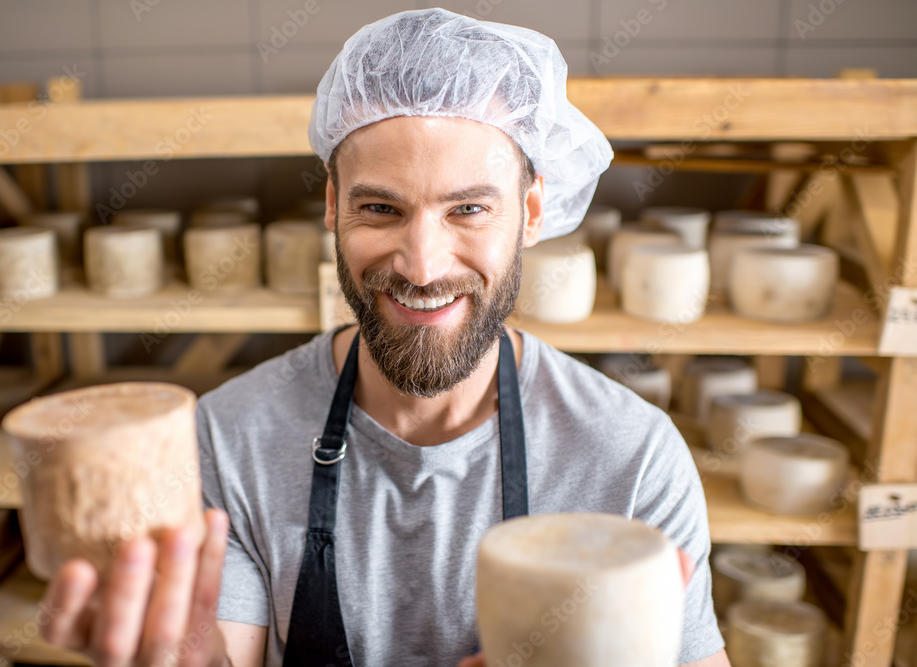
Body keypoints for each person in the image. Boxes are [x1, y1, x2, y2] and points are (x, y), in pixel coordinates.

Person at [41, 8, 731, 666]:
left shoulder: (631, 460)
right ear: (332, 208)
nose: (423, 265)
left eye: (468, 209)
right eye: (380, 207)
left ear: (529, 212)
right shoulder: (231, 439)